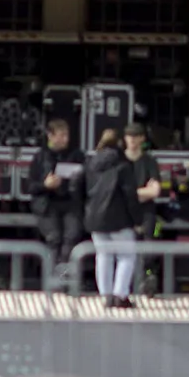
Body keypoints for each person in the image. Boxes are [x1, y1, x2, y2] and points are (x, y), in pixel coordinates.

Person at [82, 130, 139, 309]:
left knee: (103, 256)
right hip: (119, 218)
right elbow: (130, 196)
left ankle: (106, 296)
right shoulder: (123, 165)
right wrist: (137, 219)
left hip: (95, 218)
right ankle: (120, 295)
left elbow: (80, 187)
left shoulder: (91, 164)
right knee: (126, 256)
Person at [28, 118, 85, 285]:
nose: (65, 139)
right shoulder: (40, 157)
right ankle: (52, 279)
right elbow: (30, 187)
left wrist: (77, 179)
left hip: (70, 202)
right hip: (47, 204)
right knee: (54, 238)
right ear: (50, 136)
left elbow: (86, 180)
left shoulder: (77, 155)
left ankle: (65, 277)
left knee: (72, 237)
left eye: (66, 135)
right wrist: (45, 185)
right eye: (60, 135)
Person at [122, 122, 164, 294]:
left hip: (146, 211)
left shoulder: (149, 161)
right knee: (124, 250)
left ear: (142, 139)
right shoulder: (120, 161)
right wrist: (143, 191)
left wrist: (131, 193)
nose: (132, 140)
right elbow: (116, 191)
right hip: (123, 212)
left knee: (148, 247)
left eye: (135, 136)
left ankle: (147, 280)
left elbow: (155, 191)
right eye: (129, 136)